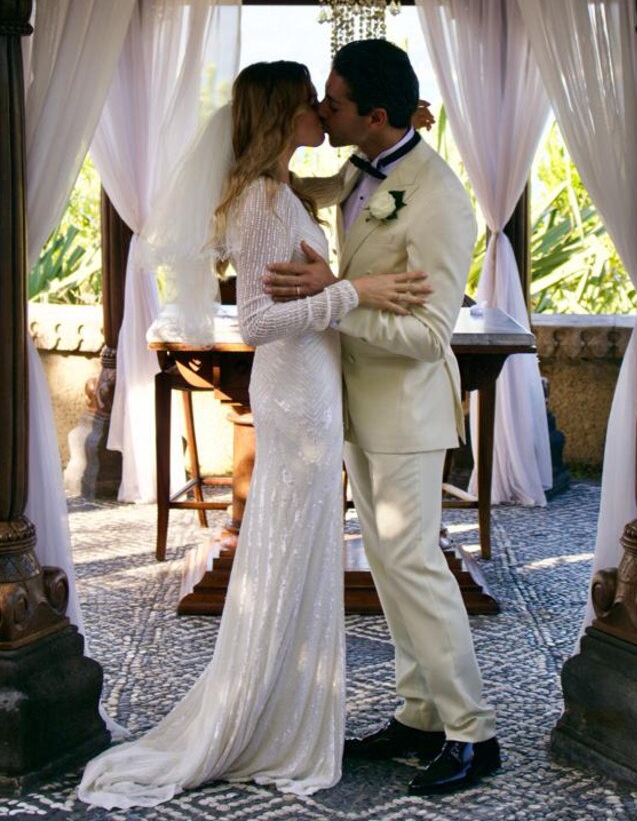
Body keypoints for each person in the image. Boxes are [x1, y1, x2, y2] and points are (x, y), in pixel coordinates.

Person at [77, 60, 431, 810]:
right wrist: (354, 291)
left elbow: (344, 202)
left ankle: (282, 709)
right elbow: (261, 323)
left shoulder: (284, 190)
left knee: (296, 554)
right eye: (308, 102)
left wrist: (400, 136)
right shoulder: (263, 203)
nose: (318, 111)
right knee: (285, 553)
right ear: (281, 117)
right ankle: (266, 720)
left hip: (311, 391)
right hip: (296, 396)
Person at [263, 39, 500, 796]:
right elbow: (324, 199)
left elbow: (430, 336)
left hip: (406, 412)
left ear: (374, 114)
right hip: (359, 409)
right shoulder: (361, 167)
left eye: (332, 103)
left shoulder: (437, 199)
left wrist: (338, 294)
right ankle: (418, 713)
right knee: (394, 574)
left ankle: (473, 731)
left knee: (418, 572)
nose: (322, 111)